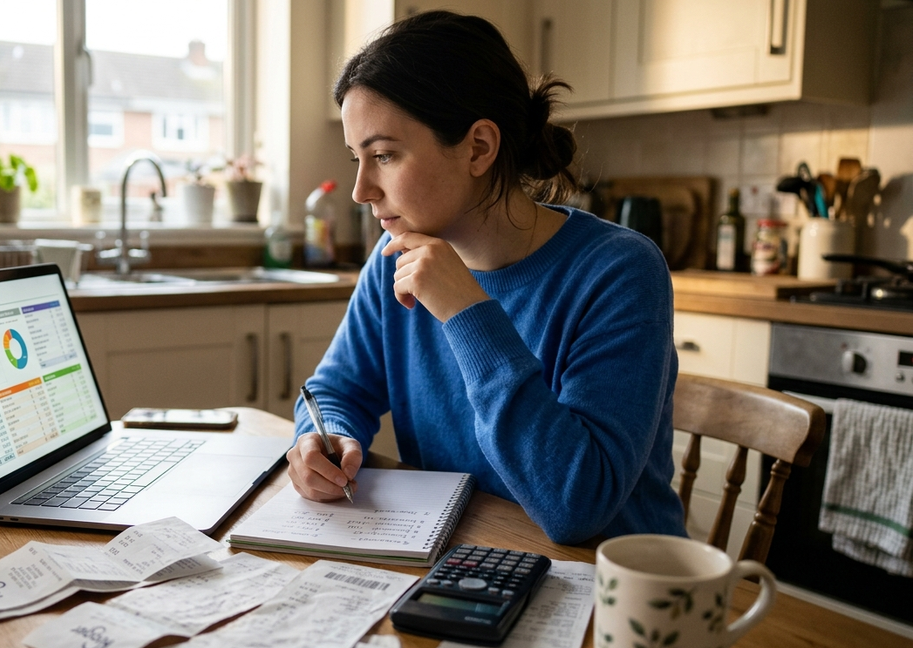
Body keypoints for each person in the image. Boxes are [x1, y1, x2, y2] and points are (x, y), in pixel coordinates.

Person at [286, 10, 687, 545]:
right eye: (357, 157)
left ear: (478, 147)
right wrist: (323, 436)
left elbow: (576, 507)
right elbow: (334, 389)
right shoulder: (393, 255)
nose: (361, 191)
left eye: (383, 155)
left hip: (613, 587)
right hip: (465, 553)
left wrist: (466, 313)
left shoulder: (618, 270)